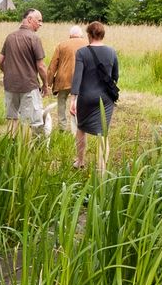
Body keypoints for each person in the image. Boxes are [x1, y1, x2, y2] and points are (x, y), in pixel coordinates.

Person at [70, 21, 119, 173]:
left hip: (86, 98)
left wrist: (73, 99)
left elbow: (77, 77)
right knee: (103, 133)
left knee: (81, 129)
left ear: (89, 35)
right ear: (102, 34)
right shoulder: (112, 52)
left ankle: (80, 161)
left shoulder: (82, 53)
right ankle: (101, 169)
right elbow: (115, 76)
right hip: (105, 98)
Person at [0, 9, 48, 136]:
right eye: (39, 20)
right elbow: (41, 66)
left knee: (12, 118)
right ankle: (24, 152)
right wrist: (45, 84)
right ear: (30, 19)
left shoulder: (10, 37)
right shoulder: (34, 38)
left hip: (10, 85)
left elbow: (0, 61)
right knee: (28, 120)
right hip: (28, 86)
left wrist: (8, 73)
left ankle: (10, 147)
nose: (41, 24)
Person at [45, 25, 86, 133]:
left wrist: (48, 83)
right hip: (82, 79)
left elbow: (52, 66)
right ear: (81, 35)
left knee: (61, 101)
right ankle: (78, 128)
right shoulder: (87, 44)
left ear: (70, 36)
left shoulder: (62, 45)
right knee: (78, 103)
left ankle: (62, 127)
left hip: (63, 80)